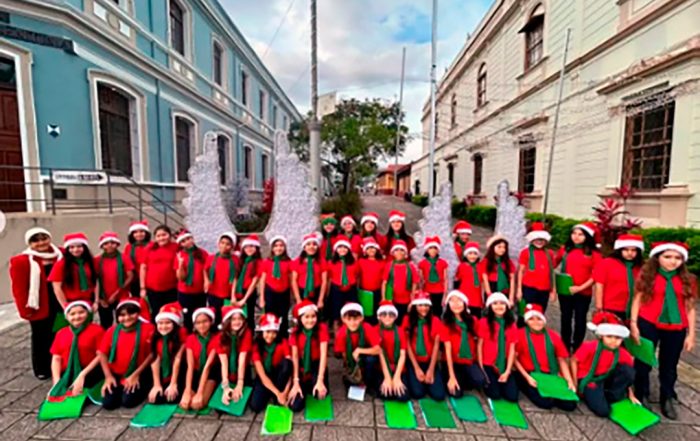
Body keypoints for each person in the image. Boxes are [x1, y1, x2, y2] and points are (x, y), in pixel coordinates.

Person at [630, 241, 697, 419]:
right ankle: (641, 392)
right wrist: (634, 324)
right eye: (667, 257)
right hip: (648, 322)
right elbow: (637, 299)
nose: (672, 261)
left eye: (677, 258)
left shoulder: (688, 280)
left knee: (669, 364)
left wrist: (691, 334)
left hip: (676, 326)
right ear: (657, 258)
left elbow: (690, 307)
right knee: (643, 360)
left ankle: (666, 396)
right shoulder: (647, 275)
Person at [9, 227, 63, 379]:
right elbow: (19, 288)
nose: (41, 243)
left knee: (60, 334)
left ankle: (60, 365)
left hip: (59, 301)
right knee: (41, 337)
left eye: (44, 238)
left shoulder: (60, 254)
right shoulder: (21, 261)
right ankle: (42, 368)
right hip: (38, 304)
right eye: (36, 240)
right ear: (29, 243)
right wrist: (25, 310)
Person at [572, 312, 638, 417]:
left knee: (628, 370)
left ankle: (610, 394)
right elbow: (574, 361)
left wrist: (631, 394)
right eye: (609, 337)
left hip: (606, 377)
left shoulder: (623, 353)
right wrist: (574, 382)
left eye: (617, 338)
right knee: (603, 411)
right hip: (590, 378)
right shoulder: (589, 347)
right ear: (601, 336)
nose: (613, 341)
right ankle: (594, 394)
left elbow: (629, 376)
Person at [514, 304, 576, 411]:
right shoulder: (519, 334)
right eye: (531, 319)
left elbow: (561, 360)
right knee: (545, 403)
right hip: (530, 373)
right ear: (526, 321)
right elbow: (514, 359)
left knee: (570, 406)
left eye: (539, 319)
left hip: (550, 373)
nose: (536, 322)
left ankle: (553, 392)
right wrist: (527, 377)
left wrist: (569, 380)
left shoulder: (553, 336)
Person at [98, 299, 155, 410]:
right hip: (116, 373)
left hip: (139, 372)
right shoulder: (112, 331)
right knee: (108, 404)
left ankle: (141, 386)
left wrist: (135, 375)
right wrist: (108, 376)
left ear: (138, 313)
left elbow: (152, 354)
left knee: (128, 402)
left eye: (131, 313)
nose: (127, 318)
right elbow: (102, 353)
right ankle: (121, 386)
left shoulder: (149, 329)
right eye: (122, 315)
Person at [555, 222, 602, 352]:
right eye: (574, 233)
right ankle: (564, 346)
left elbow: (596, 275)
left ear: (587, 236)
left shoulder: (594, 254)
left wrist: (580, 287)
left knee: (580, 320)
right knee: (565, 318)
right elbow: (553, 263)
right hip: (565, 290)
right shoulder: (565, 249)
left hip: (583, 293)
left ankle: (577, 348)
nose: (576, 237)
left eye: (580, 234)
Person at [49, 301, 104, 397]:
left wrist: (82, 375)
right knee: (61, 391)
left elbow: (101, 355)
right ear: (67, 317)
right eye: (72, 314)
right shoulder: (61, 333)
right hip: (68, 370)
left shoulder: (97, 330)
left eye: (81, 312)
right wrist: (56, 381)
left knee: (83, 390)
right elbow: (56, 358)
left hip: (90, 369)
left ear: (88, 313)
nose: (77, 316)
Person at [442, 290, 486, 397]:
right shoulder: (446, 323)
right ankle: (452, 378)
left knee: (480, 381)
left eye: (459, 301)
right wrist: (452, 376)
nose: (456, 304)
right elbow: (447, 349)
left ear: (465, 303)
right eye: (452, 301)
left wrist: (480, 365)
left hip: (469, 360)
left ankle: (464, 378)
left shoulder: (473, 320)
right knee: (456, 393)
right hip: (453, 361)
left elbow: (478, 342)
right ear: (448, 304)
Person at [403, 292, 446, 400]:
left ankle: (431, 378)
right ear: (415, 306)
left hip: (429, 361)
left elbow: (436, 346)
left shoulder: (435, 320)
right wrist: (417, 368)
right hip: (414, 361)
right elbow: (407, 344)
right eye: (420, 305)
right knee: (418, 393)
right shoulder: (407, 319)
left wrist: (431, 369)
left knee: (439, 395)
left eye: (426, 305)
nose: (423, 308)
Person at [288, 300, 329, 412]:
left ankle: (313, 384)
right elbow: (295, 357)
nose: (310, 320)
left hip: (316, 366)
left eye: (313, 316)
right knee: (295, 406)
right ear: (300, 319)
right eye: (306, 317)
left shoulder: (322, 329)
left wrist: (320, 380)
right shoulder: (295, 333)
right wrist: (296, 382)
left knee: (320, 395)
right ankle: (304, 385)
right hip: (301, 368)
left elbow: (324, 355)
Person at [333, 302, 381, 394]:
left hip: (365, 354)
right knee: (351, 376)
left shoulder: (366, 327)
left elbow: (378, 350)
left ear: (361, 318)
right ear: (343, 319)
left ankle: (368, 382)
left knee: (371, 360)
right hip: (351, 357)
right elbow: (343, 354)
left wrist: (359, 350)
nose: (352, 323)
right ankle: (353, 378)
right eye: (349, 319)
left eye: (355, 319)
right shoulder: (342, 333)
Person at [593, 234, 645, 320]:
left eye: (633, 250)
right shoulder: (607, 263)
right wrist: (599, 306)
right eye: (626, 250)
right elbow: (599, 285)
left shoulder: (642, 267)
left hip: (635, 309)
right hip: (612, 307)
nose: (630, 253)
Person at [478, 292, 518, 402]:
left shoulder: (511, 324)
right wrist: (482, 369)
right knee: (495, 394)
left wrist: (507, 371)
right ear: (490, 306)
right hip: (488, 364)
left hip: (503, 363)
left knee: (512, 397)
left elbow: (512, 348)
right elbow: (479, 346)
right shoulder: (484, 322)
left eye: (502, 303)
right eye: (495, 303)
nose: (499, 306)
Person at [249, 314, 292, 412]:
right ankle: (272, 393)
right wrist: (278, 394)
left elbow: (290, 369)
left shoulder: (283, 342)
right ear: (262, 331)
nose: (271, 336)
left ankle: (276, 393)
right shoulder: (256, 346)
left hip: (279, 376)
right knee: (255, 406)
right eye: (267, 332)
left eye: (274, 332)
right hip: (264, 377)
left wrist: (285, 391)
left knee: (287, 363)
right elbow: (262, 375)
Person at [181, 307, 219, 411]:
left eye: (205, 321)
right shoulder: (190, 338)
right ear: (194, 325)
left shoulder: (217, 338)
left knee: (197, 405)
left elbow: (208, 366)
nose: (201, 325)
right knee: (185, 404)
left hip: (211, 372)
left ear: (211, 322)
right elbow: (190, 366)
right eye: (198, 323)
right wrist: (187, 390)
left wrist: (200, 392)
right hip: (196, 371)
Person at [148, 302, 187, 404]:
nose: (164, 326)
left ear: (175, 323)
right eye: (160, 323)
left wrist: (173, 384)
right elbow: (155, 360)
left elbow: (177, 359)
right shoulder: (155, 336)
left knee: (172, 398)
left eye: (168, 323)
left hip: (179, 370)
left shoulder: (181, 334)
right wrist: (156, 384)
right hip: (162, 369)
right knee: (157, 398)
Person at [95, 232, 134, 329]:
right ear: (102, 246)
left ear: (117, 244)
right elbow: (94, 280)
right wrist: (99, 299)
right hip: (103, 298)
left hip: (121, 295)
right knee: (105, 323)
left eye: (112, 243)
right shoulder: (97, 260)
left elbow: (130, 276)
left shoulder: (124, 258)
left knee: (123, 321)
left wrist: (117, 293)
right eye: (106, 243)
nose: (110, 245)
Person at [140, 225, 179, 324]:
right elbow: (143, 267)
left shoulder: (176, 247)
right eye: (158, 236)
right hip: (153, 290)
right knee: (156, 313)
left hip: (171, 288)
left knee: (171, 313)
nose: (161, 238)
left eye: (164, 235)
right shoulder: (149, 248)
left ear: (169, 235)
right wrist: (142, 288)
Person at [216, 304, 253, 407]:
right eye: (233, 319)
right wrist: (226, 386)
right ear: (227, 321)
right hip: (226, 370)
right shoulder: (220, 336)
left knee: (245, 400)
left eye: (240, 318)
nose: (237, 322)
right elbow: (224, 363)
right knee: (223, 402)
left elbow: (242, 359)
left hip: (243, 369)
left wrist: (240, 383)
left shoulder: (247, 333)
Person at [49, 233, 97, 308]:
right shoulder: (61, 264)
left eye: (79, 246)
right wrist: (65, 306)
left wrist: (96, 301)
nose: (75, 250)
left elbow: (96, 282)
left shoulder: (91, 262)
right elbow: (57, 288)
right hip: (70, 302)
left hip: (88, 301)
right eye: (72, 247)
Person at [175, 229, 209, 332]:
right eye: (183, 241)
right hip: (185, 292)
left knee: (200, 315)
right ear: (181, 244)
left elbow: (207, 269)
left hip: (200, 291)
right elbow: (181, 278)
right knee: (187, 317)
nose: (187, 242)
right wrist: (181, 265)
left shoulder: (202, 253)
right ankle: (188, 336)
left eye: (188, 239)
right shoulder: (179, 255)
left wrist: (206, 282)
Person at [374, 301, 409, 401]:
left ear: (395, 316)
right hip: (382, 368)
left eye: (391, 314)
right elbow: (380, 353)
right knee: (386, 395)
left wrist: (397, 377)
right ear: (379, 316)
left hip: (398, 367)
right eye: (384, 314)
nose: (387, 317)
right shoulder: (375, 330)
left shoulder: (400, 331)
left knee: (403, 396)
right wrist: (388, 378)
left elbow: (402, 355)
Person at [518, 222, 556, 313]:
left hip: (544, 289)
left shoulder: (550, 253)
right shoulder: (525, 252)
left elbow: (551, 272)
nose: (539, 241)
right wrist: (519, 289)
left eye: (542, 239)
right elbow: (521, 271)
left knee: (540, 312)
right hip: (528, 288)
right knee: (525, 312)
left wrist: (553, 290)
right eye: (536, 239)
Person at [259, 236, 293, 337]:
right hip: (270, 292)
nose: (278, 248)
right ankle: (270, 338)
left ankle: (283, 338)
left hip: (284, 293)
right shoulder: (267, 262)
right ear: (272, 248)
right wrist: (262, 298)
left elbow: (291, 280)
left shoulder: (289, 262)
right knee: (270, 317)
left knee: (283, 317)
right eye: (276, 246)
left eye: (281, 246)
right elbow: (262, 280)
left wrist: (292, 296)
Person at [204, 232, 239, 325]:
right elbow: (205, 270)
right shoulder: (211, 258)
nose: (224, 246)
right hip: (213, 293)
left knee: (227, 319)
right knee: (214, 318)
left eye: (227, 244)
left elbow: (235, 278)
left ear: (232, 246)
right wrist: (206, 280)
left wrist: (233, 295)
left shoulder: (235, 260)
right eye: (222, 243)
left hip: (227, 294)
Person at [326, 239, 360, 332]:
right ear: (336, 249)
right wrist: (327, 293)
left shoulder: (354, 263)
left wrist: (356, 289)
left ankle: (350, 333)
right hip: (336, 290)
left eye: (345, 247)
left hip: (351, 290)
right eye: (340, 247)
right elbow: (329, 278)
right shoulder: (331, 263)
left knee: (351, 313)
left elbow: (357, 276)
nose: (342, 249)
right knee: (336, 315)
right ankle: (337, 335)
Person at [382, 240, 418, 323]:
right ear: (393, 253)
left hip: (406, 300)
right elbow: (384, 283)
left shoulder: (410, 266)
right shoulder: (389, 265)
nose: (399, 252)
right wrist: (384, 298)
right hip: (392, 299)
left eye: (402, 250)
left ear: (405, 253)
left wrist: (412, 300)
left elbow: (415, 283)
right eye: (396, 250)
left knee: (406, 320)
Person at [234, 234, 262, 331]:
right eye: (246, 247)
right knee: (237, 316)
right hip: (238, 291)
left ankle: (250, 335)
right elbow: (236, 278)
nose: (249, 249)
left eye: (251, 246)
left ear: (256, 248)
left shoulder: (258, 262)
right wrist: (233, 295)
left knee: (249, 316)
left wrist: (244, 299)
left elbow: (254, 282)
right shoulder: (241, 261)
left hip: (249, 293)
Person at [292, 233, 327, 306]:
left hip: (316, 291)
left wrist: (321, 299)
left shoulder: (322, 262)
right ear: (304, 247)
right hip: (302, 291)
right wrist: (298, 299)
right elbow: (294, 281)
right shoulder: (297, 261)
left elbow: (324, 281)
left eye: (314, 244)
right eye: (308, 244)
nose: (311, 247)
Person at [357, 237, 386, 325]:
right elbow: (358, 276)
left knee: (376, 314)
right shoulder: (361, 261)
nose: (371, 250)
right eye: (368, 248)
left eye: (373, 248)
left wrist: (383, 296)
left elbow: (384, 280)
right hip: (364, 292)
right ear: (365, 251)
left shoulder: (382, 262)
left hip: (377, 291)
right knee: (366, 314)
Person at [418, 236, 449, 318]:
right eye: (430, 248)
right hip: (427, 290)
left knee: (438, 311)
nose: (433, 250)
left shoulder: (443, 263)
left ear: (438, 250)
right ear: (427, 250)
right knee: (428, 311)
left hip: (439, 291)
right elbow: (420, 279)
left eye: (435, 248)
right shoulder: (422, 263)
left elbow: (446, 279)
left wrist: (445, 294)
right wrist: (421, 292)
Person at [480, 235, 516, 303]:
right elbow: (485, 280)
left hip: (505, 288)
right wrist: (489, 294)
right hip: (492, 287)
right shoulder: (486, 261)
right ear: (492, 247)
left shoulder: (508, 262)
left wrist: (511, 297)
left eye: (504, 247)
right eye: (499, 247)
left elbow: (512, 280)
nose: (502, 249)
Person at [455, 242, 485, 318]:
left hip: (477, 297)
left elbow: (483, 282)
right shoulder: (462, 266)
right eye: (470, 253)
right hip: (465, 294)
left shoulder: (481, 266)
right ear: (466, 255)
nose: (472, 256)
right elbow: (457, 280)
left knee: (476, 316)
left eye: (475, 254)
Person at [123, 221, 151, 297]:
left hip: (148, 279)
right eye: (135, 232)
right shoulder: (128, 247)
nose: (139, 234)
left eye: (141, 231)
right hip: (134, 280)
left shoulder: (151, 246)